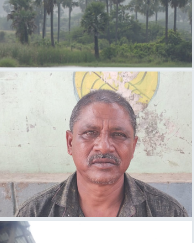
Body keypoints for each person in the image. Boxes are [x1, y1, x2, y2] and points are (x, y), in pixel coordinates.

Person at [17, 90, 188, 217]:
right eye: (90, 133)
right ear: (70, 143)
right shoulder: (35, 213)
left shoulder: (169, 213)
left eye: (119, 135)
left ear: (133, 146)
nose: (104, 147)